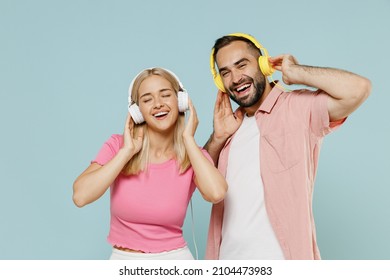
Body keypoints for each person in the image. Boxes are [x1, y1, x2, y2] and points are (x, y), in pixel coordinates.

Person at [204, 33, 371, 260]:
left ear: (263, 64)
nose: (235, 78)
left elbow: (358, 89)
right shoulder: (229, 126)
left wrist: (297, 72)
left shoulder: (298, 108)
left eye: (241, 65)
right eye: (225, 72)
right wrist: (217, 137)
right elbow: (193, 180)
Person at [73, 67, 227, 260]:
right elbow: (81, 196)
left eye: (165, 95)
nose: (158, 104)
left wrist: (188, 139)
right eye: (147, 99)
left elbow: (217, 193)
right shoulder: (117, 146)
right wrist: (126, 152)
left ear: (180, 102)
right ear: (136, 111)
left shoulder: (194, 156)